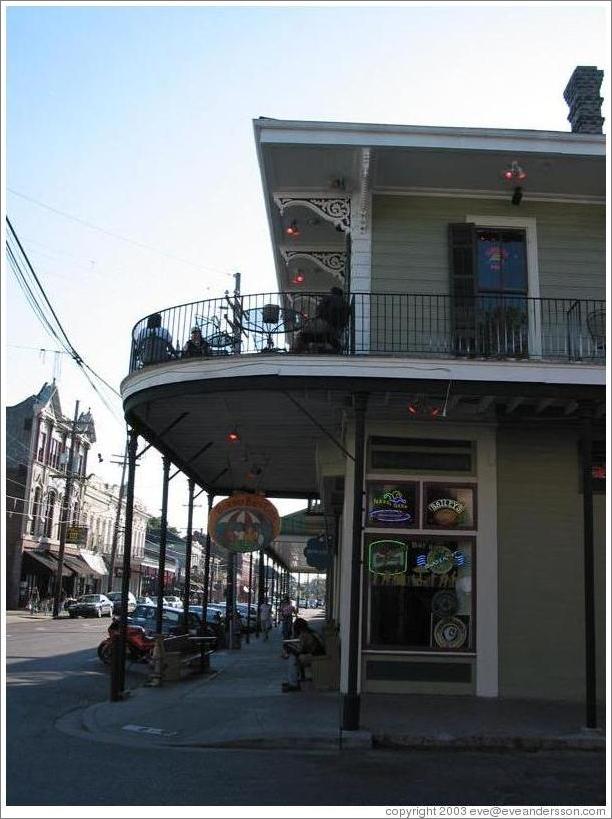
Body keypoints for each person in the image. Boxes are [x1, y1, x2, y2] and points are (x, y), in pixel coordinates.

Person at [292, 287, 351, 353]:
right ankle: (336, 350)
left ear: (332, 292)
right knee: (327, 339)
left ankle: (296, 351)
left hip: (324, 323)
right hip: (337, 329)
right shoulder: (346, 304)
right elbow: (345, 320)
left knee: (302, 334)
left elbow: (319, 310)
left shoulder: (328, 298)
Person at [282, 617, 325, 692]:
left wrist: (289, 650)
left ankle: (293, 683)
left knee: (293, 659)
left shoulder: (304, 635)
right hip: (319, 653)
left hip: (316, 656)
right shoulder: (310, 632)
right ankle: (294, 680)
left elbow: (300, 650)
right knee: (294, 656)